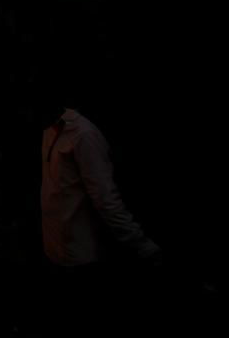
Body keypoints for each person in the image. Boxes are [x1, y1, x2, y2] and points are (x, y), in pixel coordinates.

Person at [38, 91, 161, 333]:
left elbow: (106, 199)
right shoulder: (50, 131)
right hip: (58, 251)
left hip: (83, 258)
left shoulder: (83, 135)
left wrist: (142, 245)